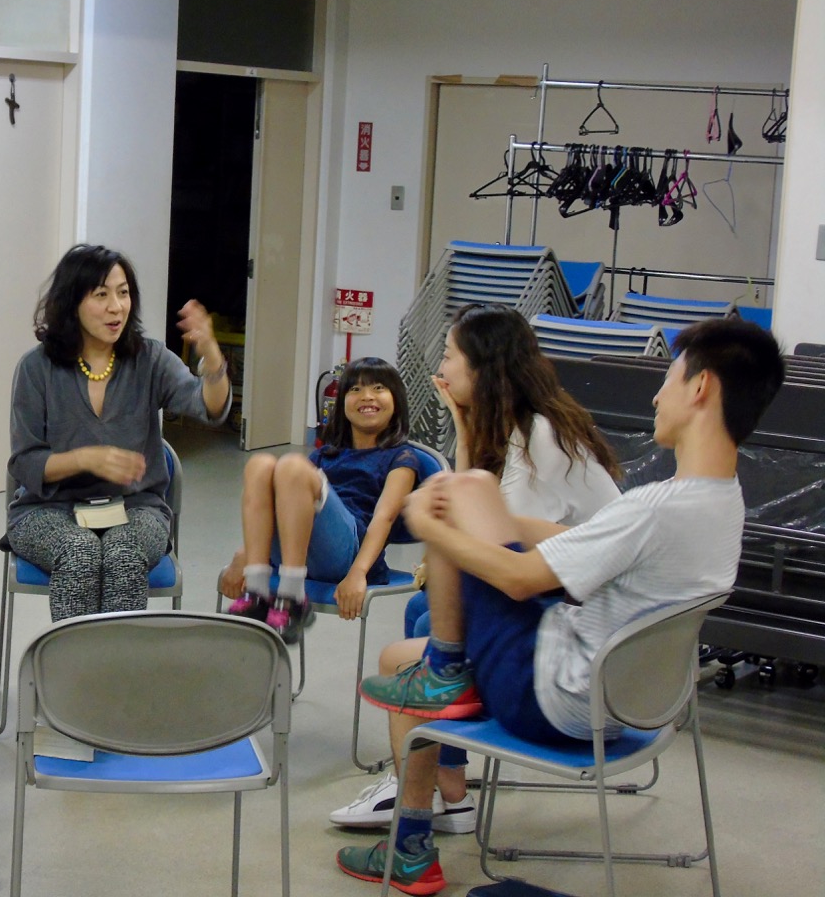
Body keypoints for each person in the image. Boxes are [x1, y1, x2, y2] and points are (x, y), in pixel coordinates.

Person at [335, 318, 785, 895]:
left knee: (446, 513)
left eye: (669, 379)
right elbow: (578, 540)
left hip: (556, 698)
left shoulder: (655, 506)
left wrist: (431, 526)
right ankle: (432, 734)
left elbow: (519, 580)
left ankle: (414, 832)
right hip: (629, 702)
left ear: (700, 388)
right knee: (466, 506)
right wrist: (491, 517)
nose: (657, 396)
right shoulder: (719, 503)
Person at [329, 303, 622, 834]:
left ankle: (427, 787)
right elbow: (479, 521)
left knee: (421, 630)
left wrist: (440, 535)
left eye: (449, 355)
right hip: (567, 597)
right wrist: (463, 439)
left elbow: (497, 551)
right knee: (424, 611)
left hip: (577, 622)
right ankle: (446, 788)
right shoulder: (523, 427)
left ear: (483, 368)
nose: (441, 368)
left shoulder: (538, 439)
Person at [8, 243, 230, 621]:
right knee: (79, 552)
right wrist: (84, 459)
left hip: (136, 507)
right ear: (71, 302)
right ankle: (75, 659)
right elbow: (25, 464)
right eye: (101, 295)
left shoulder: (149, 358)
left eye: (123, 293)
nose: (117, 307)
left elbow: (208, 407)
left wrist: (211, 354)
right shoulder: (36, 367)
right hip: (49, 510)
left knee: (124, 553)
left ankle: (116, 658)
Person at [220, 357, 428, 644]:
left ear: (397, 400)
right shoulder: (326, 454)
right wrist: (243, 556)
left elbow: (385, 517)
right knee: (260, 465)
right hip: (300, 552)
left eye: (378, 388)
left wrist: (358, 573)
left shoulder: (401, 457)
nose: (367, 396)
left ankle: (292, 598)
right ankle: (257, 593)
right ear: (342, 403)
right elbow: (282, 508)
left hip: (350, 553)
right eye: (355, 389)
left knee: (292, 467)